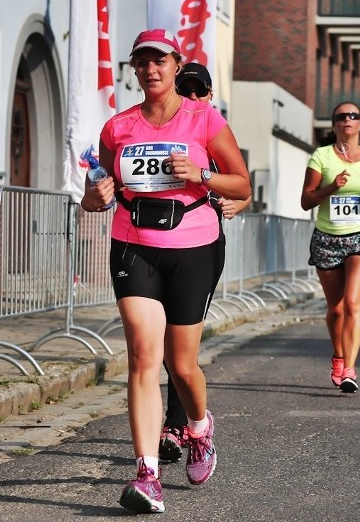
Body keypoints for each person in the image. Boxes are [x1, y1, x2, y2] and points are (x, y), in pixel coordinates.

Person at [80, 29, 251, 513]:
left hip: (193, 247)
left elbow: (240, 182)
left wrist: (202, 175)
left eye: (160, 61)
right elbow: (99, 187)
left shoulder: (204, 118)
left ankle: (199, 426)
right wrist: (93, 199)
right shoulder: (118, 128)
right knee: (141, 355)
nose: (151, 70)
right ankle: (147, 473)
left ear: (177, 65)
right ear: (134, 69)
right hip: (133, 244)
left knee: (181, 364)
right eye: (142, 62)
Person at [157, 62, 252, 464]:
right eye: (186, 90)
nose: (193, 98)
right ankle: (177, 422)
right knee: (159, 340)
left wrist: (237, 202)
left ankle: (178, 425)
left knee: (179, 344)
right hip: (157, 241)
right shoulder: (163, 124)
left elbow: (242, 186)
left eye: (200, 92)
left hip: (203, 242)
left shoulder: (213, 128)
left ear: (211, 96)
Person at [300, 102, 360, 393]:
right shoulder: (321, 157)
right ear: (334, 125)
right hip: (328, 238)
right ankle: (338, 357)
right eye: (341, 117)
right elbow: (307, 200)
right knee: (336, 309)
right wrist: (332, 188)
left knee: (352, 303)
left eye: (353, 116)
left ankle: (350, 368)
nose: (347, 120)